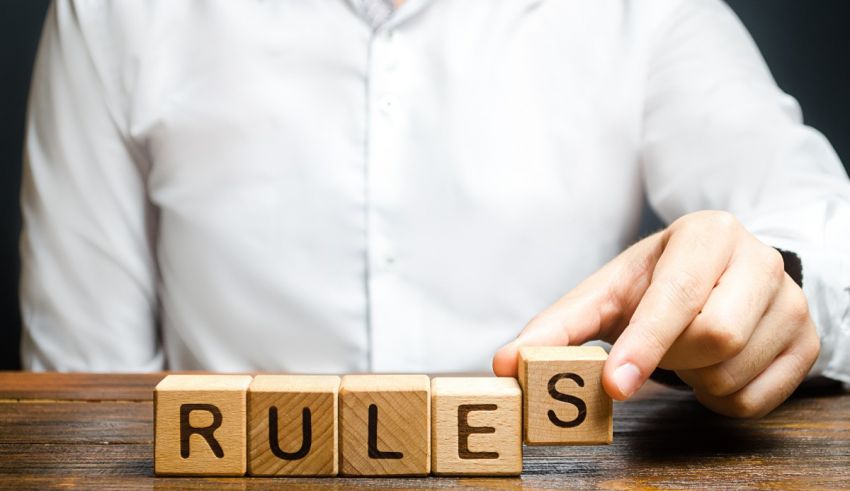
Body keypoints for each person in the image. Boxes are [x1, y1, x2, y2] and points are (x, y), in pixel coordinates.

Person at [20, 0, 850, 419]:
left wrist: (779, 282)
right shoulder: (113, 14)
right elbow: (79, 401)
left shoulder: (643, 12)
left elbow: (822, 225)